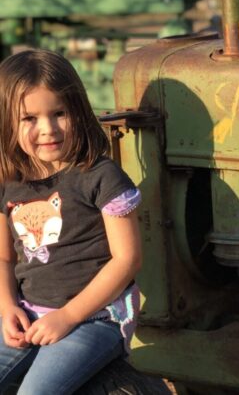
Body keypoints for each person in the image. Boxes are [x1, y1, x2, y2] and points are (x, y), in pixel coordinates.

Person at [0, 49, 142, 394]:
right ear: (6, 122)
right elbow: (5, 257)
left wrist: (68, 316)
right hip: (27, 312)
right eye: (29, 118)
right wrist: (6, 307)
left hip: (94, 318)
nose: (48, 129)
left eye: (59, 113)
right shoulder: (9, 181)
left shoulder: (101, 176)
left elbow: (127, 260)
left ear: (77, 110)